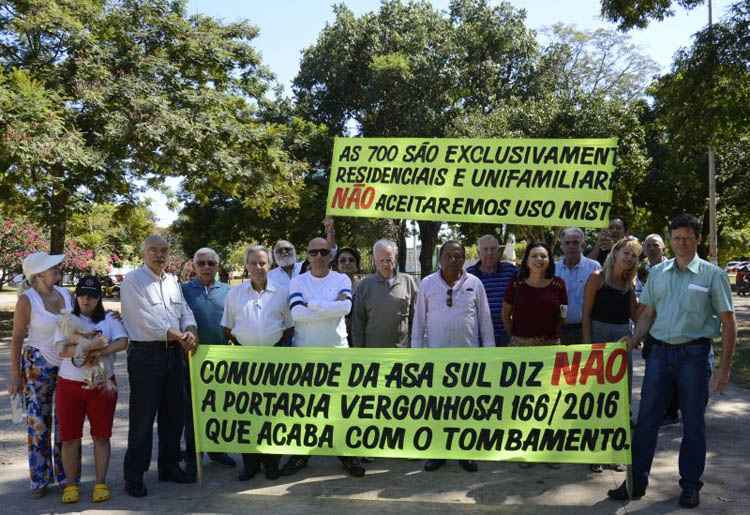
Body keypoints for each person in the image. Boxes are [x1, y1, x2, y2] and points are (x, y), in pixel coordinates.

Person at [608, 214, 736, 509]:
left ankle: (690, 486)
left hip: (694, 355)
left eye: (688, 238)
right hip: (659, 355)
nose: (682, 243)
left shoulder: (712, 275)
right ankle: (635, 482)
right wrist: (634, 338)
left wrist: (724, 368)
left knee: (693, 424)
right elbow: (648, 313)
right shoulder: (659, 273)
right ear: (670, 240)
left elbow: (729, 324)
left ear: (698, 239)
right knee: (646, 421)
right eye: (676, 238)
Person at [279, 237, 365, 478]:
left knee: (340, 408)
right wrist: (329, 306)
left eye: (323, 252)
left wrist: (313, 304)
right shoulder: (297, 281)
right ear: (306, 255)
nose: (318, 256)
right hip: (305, 353)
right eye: (313, 252)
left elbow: (345, 308)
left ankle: (347, 454)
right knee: (305, 409)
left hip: (337, 351)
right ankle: (301, 455)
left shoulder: (342, 279)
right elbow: (296, 314)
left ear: (330, 256)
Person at [120, 235, 198, 497]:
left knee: (173, 416)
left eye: (164, 250)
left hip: (174, 355)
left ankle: (169, 465)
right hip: (146, 356)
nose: (159, 255)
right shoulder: (133, 281)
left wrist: (190, 330)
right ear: (143, 252)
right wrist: (180, 336)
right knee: (142, 419)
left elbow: (184, 310)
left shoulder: (173, 281)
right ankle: (134, 475)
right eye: (153, 250)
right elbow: (144, 320)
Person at [412, 240, 494, 473]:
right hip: (436, 359)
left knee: (466, 407)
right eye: (449, 256)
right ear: (441, 258)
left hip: (469, 358)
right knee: (438, 407)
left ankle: (466, 452)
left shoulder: (475, 283)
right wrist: (417, 357)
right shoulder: (427, 284)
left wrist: (488, 355)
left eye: (459, 256)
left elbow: (485, 322)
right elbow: (418, 323)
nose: (454, 260)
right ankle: (438, 452)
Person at [54, 276, 128, 504]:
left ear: (99, 298)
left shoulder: (108, 319)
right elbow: (61, 350)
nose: (87, 299)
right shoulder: (66, 319)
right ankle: (71, 485)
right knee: (69, 438)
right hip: (69, 384)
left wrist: (100, 352)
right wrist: (90, 345)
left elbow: (123, 341)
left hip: (101, 384)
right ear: (76, 296)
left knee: (101, 436)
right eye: (83, 294)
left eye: (93, 295)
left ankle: (100, 483)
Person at [222, 245, 292, 481]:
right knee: (248, 414)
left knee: (273, 414)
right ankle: (250, 463)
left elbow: (289, 327)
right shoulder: (235, 294)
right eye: (253, 263)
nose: (258, 267)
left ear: (269, 265)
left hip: (274, 361)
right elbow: (228, 328)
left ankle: (272, 462)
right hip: (246, 363)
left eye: (263, 263)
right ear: (247, 266)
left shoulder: (282, 292)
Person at [8, 252, 72, 498]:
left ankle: (66, 475)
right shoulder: (28, 300)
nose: (57, 268)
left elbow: (79, 320)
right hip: (37, 365)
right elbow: (16, 338)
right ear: (38, 273)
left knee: (65, 420)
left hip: (66, 363)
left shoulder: (66, 294)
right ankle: (39, 479)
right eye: (51, 266)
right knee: (39, 423)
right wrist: (15, 374)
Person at [581, 237, 641, 473]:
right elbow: (585, 314)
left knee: (619, 399)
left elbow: (635, 315)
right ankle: (594, 453)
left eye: (634, 255)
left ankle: (616, 452)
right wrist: (587, 346)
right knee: (596, 399)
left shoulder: (630, 284)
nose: (629, 258)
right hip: (597, 335)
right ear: (615, 253)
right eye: (626, 252)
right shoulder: (597, 277)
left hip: (620, 342)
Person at [180, 248, 235, 474]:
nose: (206, 267)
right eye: (201, 263)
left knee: (218, 408)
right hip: (191, 359)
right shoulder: (182, 291)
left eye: (211, 263)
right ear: (193, 266)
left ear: (217, 266)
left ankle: (217, 450)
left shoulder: (229, 292)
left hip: (220, 360)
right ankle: (194, 454)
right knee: (192, 410)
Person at [351, 239, 418, 348]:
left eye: (388, 260)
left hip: (401, 352)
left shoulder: (408, 282)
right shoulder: (364, 286)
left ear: (395, 259)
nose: (385, 264)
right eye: (381, 260)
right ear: (375, 261)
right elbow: (358, 324)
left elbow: (415, 320)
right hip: (372, 353)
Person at [502, 242, 568, 347]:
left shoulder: (559, 284)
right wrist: (516, 337)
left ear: (549, 260)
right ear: (527, 260)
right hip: (520, 345)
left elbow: (564, 312)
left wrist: (556, 333)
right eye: (534, 256)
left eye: (543, 256)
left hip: (551, 344)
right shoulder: (516, 283)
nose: (539, 259)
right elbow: (505, 315)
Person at [466, 234, 517, 346]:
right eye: (485, 249)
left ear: (499, 252)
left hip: (506, 334)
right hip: (479, 336)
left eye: (493, 249)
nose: (489, 253)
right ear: (479, 253)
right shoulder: (468, 274)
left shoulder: (511, 271)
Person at [555, 227, 601, 344]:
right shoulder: (553, 269)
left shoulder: (594, 268)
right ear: (561, 246)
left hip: (586, 329)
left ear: (583, 245)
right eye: (567, 243)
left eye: (575, 242)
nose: (571, 246)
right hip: (558, 330)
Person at [268, 218, 337, 288]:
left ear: (294, 250)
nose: (284, 252)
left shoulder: (306, 266)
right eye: (279, 250)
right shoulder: (269, 276)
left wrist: (330, 232)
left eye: (287, 249)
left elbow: (330, 252)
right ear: (274, 255)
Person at [334, 247, 362, 346]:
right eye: (342, 260)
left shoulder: (363, 287)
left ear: (357, 265)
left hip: (359, 338)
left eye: (351, 260)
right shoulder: (330, 286)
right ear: (337, 265)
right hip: (336, 338)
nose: (347, 263)